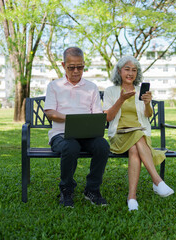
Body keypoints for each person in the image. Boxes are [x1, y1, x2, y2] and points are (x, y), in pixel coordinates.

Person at [103, 56, 174, 211]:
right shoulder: (110, 91)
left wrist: (148, 103)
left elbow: (148, 115)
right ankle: (157, 181)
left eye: (134, 70)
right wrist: (121, 100)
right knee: (137, 137)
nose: (131, 73)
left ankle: (132, 197)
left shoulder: (140, 91)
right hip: (119, 136)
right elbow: (108, 117)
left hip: (139, 135)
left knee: (135, 146)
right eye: (127, 69)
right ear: (119, 71)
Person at [44, 47, 110, 208]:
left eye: (79, 67)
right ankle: (66, 189)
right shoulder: (54, 86)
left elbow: (96, 114)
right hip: (61, 135)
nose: (75, 71)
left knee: (102, 145)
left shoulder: (91, 87)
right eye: (71, 67)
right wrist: (70, 119)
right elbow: (50, 113)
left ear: (84, 65)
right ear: (63, 65)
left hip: (86, 135)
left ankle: (92, 189)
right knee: (70, 146)